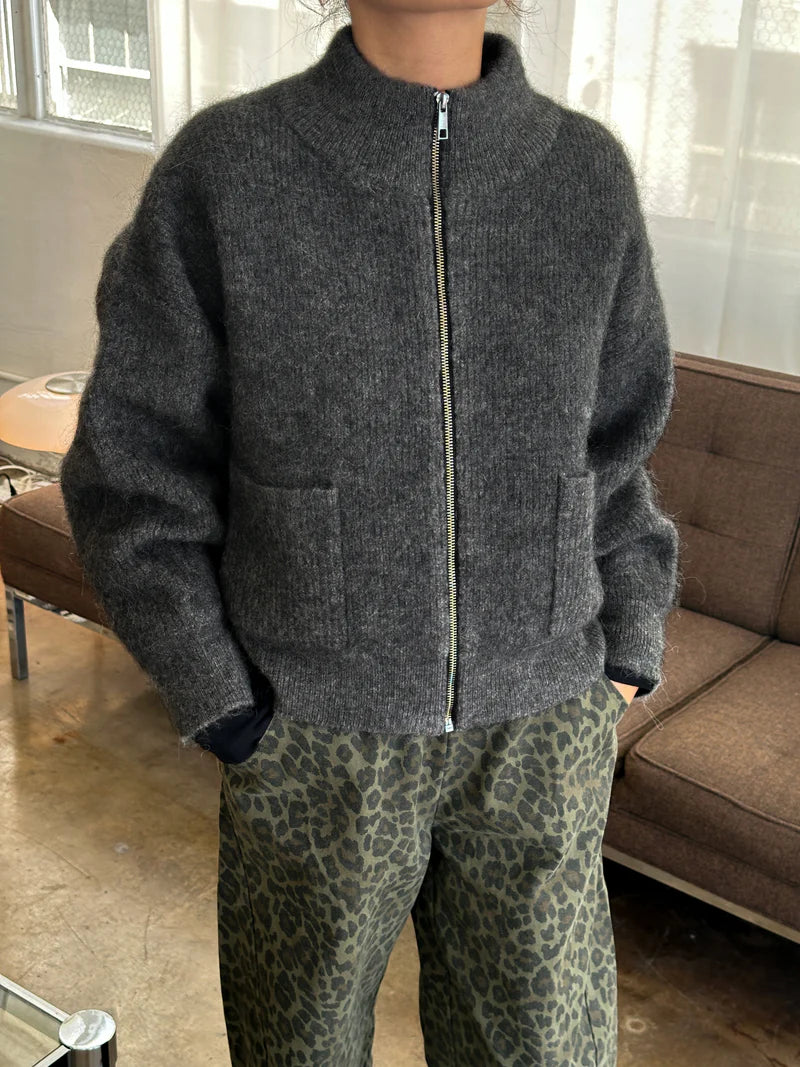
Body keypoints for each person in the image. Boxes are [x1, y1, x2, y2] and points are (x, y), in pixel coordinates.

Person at [59, 0, 681, 1063]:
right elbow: (133, 468)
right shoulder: (228, 172)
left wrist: (623, 650)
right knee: (298, 1048)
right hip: (314, 736)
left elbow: (615, 447)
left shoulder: (584, 177)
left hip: (541, 733)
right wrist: (223, 700)